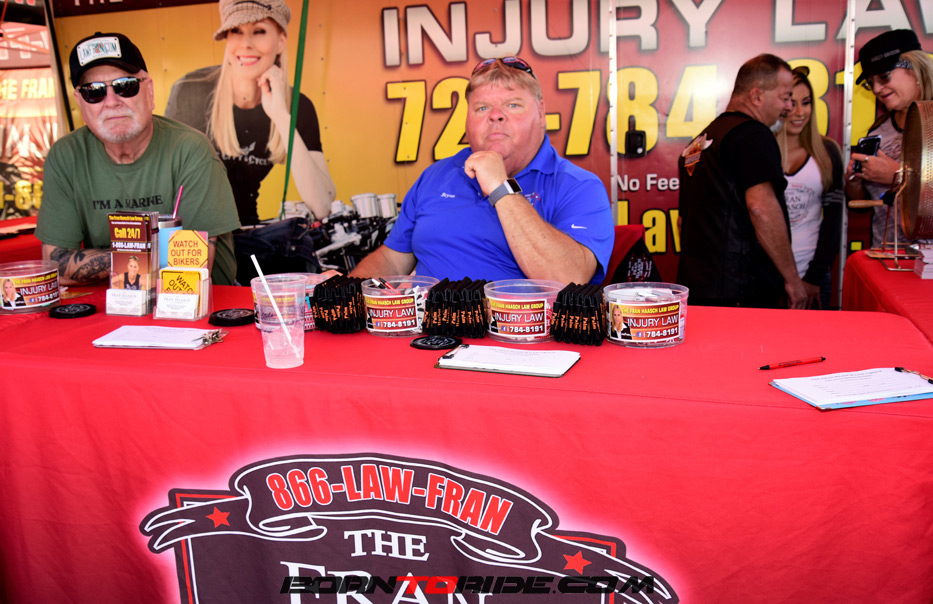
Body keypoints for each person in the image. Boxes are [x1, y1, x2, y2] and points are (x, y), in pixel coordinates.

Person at [349, 57, 614, 285]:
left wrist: (501, 187)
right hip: (427, 326)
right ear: (467, 120)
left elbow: (568, 280)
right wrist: (344, 290)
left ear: (541, 113)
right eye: (482, 108)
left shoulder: (578, 186)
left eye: (513, 105)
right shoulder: (435, 176)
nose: (495, 116)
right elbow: (393, 260)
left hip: (515, 329)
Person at [36, 32, 241, 286]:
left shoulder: (190, 149)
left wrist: (118, 259)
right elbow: (56, 266)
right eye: (94, 91)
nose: (112, 102)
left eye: (125, 86)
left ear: (149, 91)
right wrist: (147, 254)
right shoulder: (66, 156)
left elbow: (192, 266)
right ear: (80, 102)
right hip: (112, 305)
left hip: (200, 305)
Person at [164, 0, 335, 226]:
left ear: (280, 42)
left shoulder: (297, 106)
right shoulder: (191, 91)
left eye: (259, 31)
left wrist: (281, 116)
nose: (245, 44)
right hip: (194, 234)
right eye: (236, 31)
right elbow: (164, 184)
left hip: (247, 231)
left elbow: (322, 205)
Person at [677, 54, 807, 309]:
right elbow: (761, 208)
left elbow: (683, 222)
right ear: (757, 96)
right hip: (742, 294)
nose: (789, 108)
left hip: (699, 291)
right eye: (785, 98)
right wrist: (793, 280)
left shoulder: (697, 144)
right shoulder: (753, 135)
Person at [845, 29, 933, 248]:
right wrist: (854, 183)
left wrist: (899, 175)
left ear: (916, 68)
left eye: (884, 76)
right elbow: (865, 204)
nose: (876, 88)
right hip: (884, 256)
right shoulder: (878, 132)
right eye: (870, 82)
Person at [776, 66, 843, 309]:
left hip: (813, 274)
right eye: (791, 103)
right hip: (766, 278)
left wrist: (814, 277)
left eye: (806, 102)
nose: (799, 112)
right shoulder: (761, 150)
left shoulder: (827, 151)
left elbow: (834, 220)